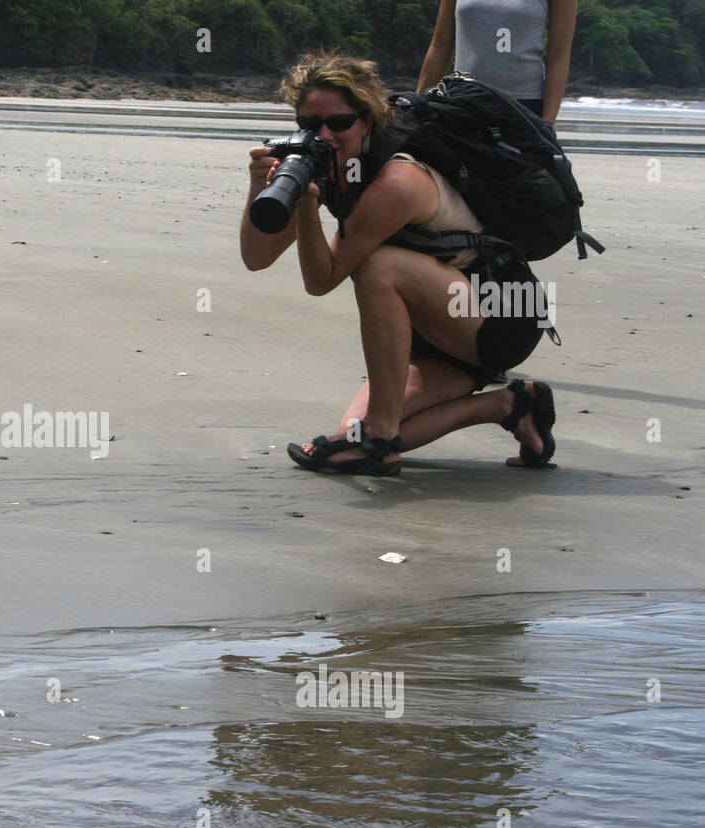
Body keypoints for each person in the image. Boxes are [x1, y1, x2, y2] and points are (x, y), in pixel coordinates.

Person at [240, 53, 556, 476]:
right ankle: (512, 404)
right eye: (310, 124)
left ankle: (381, 438)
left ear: (367, 120)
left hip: (498, 313)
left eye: (338, 123)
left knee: (379, 267)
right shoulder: (332, 165)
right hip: (434, 329)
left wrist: (309, 207)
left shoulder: (398, 181)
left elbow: (322, 279)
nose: (324, 136)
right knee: (350, 436)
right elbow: (256, 258)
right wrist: (258, 187)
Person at [417, 0, 578, 126]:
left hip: (524, 109)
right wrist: (416, 109)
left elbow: (558, 56)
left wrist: (548, 122)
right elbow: (440, 47)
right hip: (462, 104)